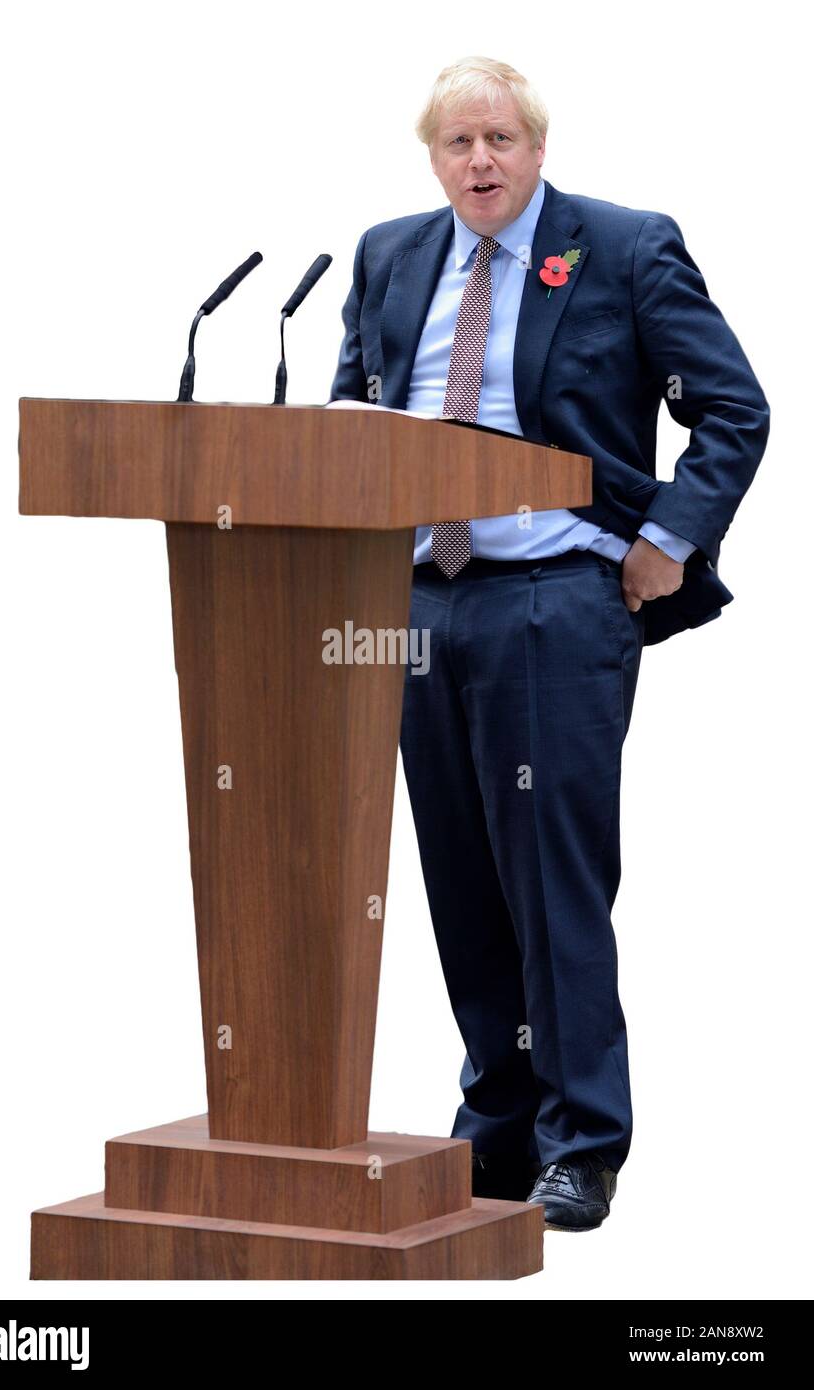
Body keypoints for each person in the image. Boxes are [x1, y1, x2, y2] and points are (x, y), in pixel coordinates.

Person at [328, 55, 769, 1231]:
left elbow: (734, 406)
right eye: (458, 143)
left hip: (557, 597)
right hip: (419, 604)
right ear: (432, 157)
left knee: (551, 876)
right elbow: (348, 414)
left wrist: (667, 539)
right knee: (461, 877)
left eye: (501, 140)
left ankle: (584, 1140)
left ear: (537, 148)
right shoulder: (388, 255)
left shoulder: (622, 249)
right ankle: (499, 1130)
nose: (480, 161)